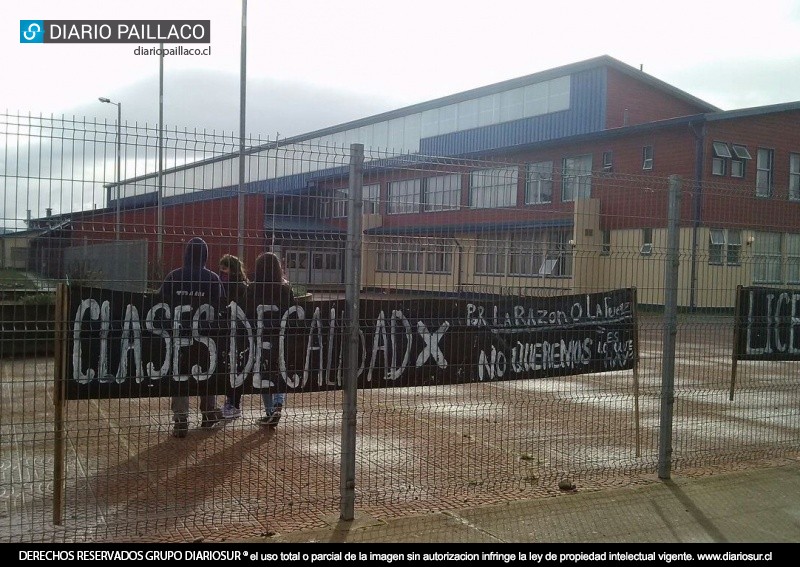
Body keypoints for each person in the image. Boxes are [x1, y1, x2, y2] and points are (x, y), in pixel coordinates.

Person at [158, 237, 226, 438]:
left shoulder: (174, 277)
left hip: (180, 336)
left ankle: (181, 418)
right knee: (207, 373)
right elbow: (221, 306)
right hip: (206, 337)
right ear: (205, 256)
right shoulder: (213, 279)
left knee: (180, 375)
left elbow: (161, 302)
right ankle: (208, 413)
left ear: (186, 254)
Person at [246, 251, 297, 427]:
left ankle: (269, 410)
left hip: (260, 336)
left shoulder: (253, 288)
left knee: (263, 371)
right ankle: (277, 404)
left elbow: (248, 312)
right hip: (280, 336)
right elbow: (292, 312)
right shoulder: (285, 289)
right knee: (280, 370)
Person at [219, 253, 250, 419]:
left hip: (237, 332)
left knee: (235, 367)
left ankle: (234, 403)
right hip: (227, 331)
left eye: (225, 268)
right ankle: (230, 401)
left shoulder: (240, 287)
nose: (222, 271)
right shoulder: (226, 284)